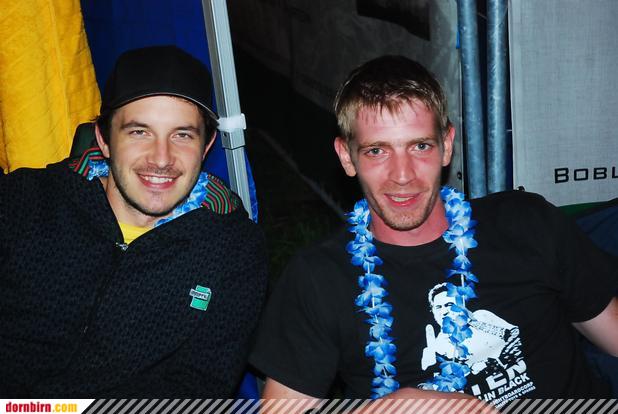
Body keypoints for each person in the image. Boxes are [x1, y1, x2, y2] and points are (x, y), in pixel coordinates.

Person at [249, 55, 618, 409]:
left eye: (420, 146)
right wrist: (394, 408)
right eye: (377, 151)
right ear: (347, 157)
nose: (402, 175)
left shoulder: (527, 223)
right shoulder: (321, 278)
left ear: (446, 145)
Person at [0, 45, 267, 397]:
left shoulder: (233, 251)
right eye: (139, 132)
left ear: (206, 147)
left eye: (182, 135)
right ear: (104, 139)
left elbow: (199, 388)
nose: (161, 158)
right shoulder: (22, 202)